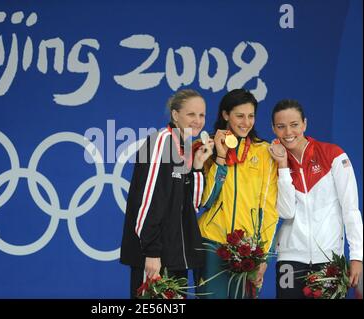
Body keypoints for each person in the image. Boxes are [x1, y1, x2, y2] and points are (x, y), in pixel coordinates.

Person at [120, 89, 214, 298]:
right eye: (191, 114)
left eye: (202, 115)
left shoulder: (185, 148)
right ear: (175, 115)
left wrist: (197, 166)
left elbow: (192, 205)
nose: (198, 121)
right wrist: (152, 251)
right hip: (154, 256)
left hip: (175, 255)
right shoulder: (161, 143)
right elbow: (147, 200)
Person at [268, 99, 363, 299]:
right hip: (290, 260)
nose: (288, 132)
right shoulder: (273, 162)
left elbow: (351, 209)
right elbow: (286, 212)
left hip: (329, 259)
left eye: (294, 125)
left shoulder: (333, 155)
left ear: (305, 124)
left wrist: (357, 257)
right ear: (273, 128)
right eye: (281, 126)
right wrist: (283, 166)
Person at [196, 89, 279, 299]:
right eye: (239, 115)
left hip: (247, 250)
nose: (246, 122)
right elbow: (205, 200)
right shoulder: (208, 148)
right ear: (225, 115)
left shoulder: (264, 152)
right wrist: (220, 157)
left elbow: (269, 210)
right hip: (212, 242)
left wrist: (264, 257)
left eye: (251, 116)